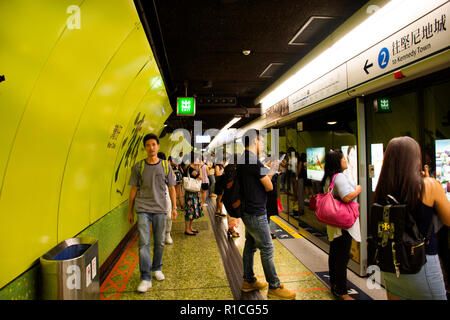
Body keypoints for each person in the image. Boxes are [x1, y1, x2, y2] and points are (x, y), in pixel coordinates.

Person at [373, 136, 450, 300]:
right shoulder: (429, 185)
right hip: (421, 264)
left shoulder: (381, 189)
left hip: (391, 265)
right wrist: (430, 181)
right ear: (416, 158)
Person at [238, 129, 296, 300]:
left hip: (248, 210)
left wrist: (268, 171)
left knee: (250, 245)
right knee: (267, 248)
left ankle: (248, 281)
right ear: (255, 141)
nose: (262, 145)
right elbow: (269, 186)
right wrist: (273, 169)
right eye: (261, 141)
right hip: (256, 212)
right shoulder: (252, 161)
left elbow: (258, 180)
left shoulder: (244, 159)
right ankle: (275, 287)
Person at [128, 133, 177, 293]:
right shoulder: (138, 167)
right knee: (143, 243)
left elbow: (172, 188)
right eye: (148, 145)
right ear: (145, 148)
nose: (151, 148)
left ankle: (157, 268)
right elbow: (133, 189)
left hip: (160, 209)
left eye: (154, 145)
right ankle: (145, 277)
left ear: (158, 146)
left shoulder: (165, 166)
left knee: (160, 241)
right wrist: (130, 211)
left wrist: (174, 208)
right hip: (143, 209)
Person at [321, 149, 361, 300]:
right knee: (343, 255)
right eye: (344, 158)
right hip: (343, 222)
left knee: (335, 252)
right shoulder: (340, 178)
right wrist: (358, 190)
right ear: (338, 162)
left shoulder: (329, 178)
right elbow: (346, 198)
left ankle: (335, 283)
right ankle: (342, 291)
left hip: (334, 223)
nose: (345, 161)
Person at [184, 152, 204, 235]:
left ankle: (190, 227)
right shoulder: (191, 169)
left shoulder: (192, 168)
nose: (199, 160)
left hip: (193, 193)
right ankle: (187, 229)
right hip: (190, 194)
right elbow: (200, 178)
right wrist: (199, 168)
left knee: (192, 211)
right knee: (189, 211)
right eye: (198, 159)